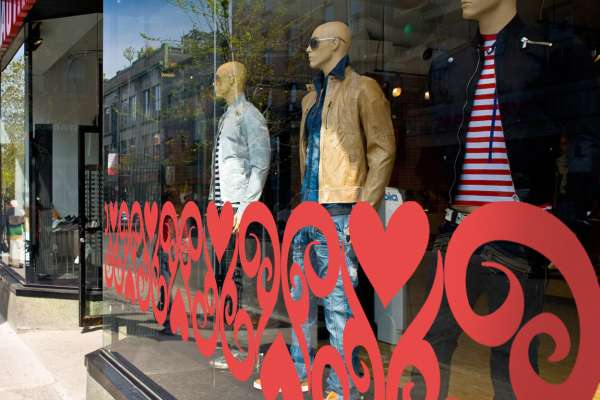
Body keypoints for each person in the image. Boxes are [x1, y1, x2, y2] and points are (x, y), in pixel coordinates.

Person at [411, 0, 599, 399]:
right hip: (458, 227)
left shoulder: (552, 51)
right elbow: (436, 145)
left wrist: (569, 218)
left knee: (513, 355)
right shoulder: (451, 64)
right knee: (432, 340)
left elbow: (586, 136)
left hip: (520, 232)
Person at [253, 21, 396, 400]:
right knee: (300, 297)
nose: (307, 49)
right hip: (309, 211)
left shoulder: (363, 89)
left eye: (314, 43)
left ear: (337, 44)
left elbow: (382, 150)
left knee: (338, 302)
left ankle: (342, 386)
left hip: (341, 210)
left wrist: (364, 210)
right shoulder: (310, 100)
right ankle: (301, 370)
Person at [209, 61, 271, 367]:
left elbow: (261, 162)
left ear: (233, 80)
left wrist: (246, 206)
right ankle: (230, 346)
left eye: (218, 78)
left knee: (238, 281)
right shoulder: (227, 116)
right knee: (224, 279)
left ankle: (243, 349)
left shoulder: (249, 115)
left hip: (237, 210)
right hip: (223, 210)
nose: (214, 83)